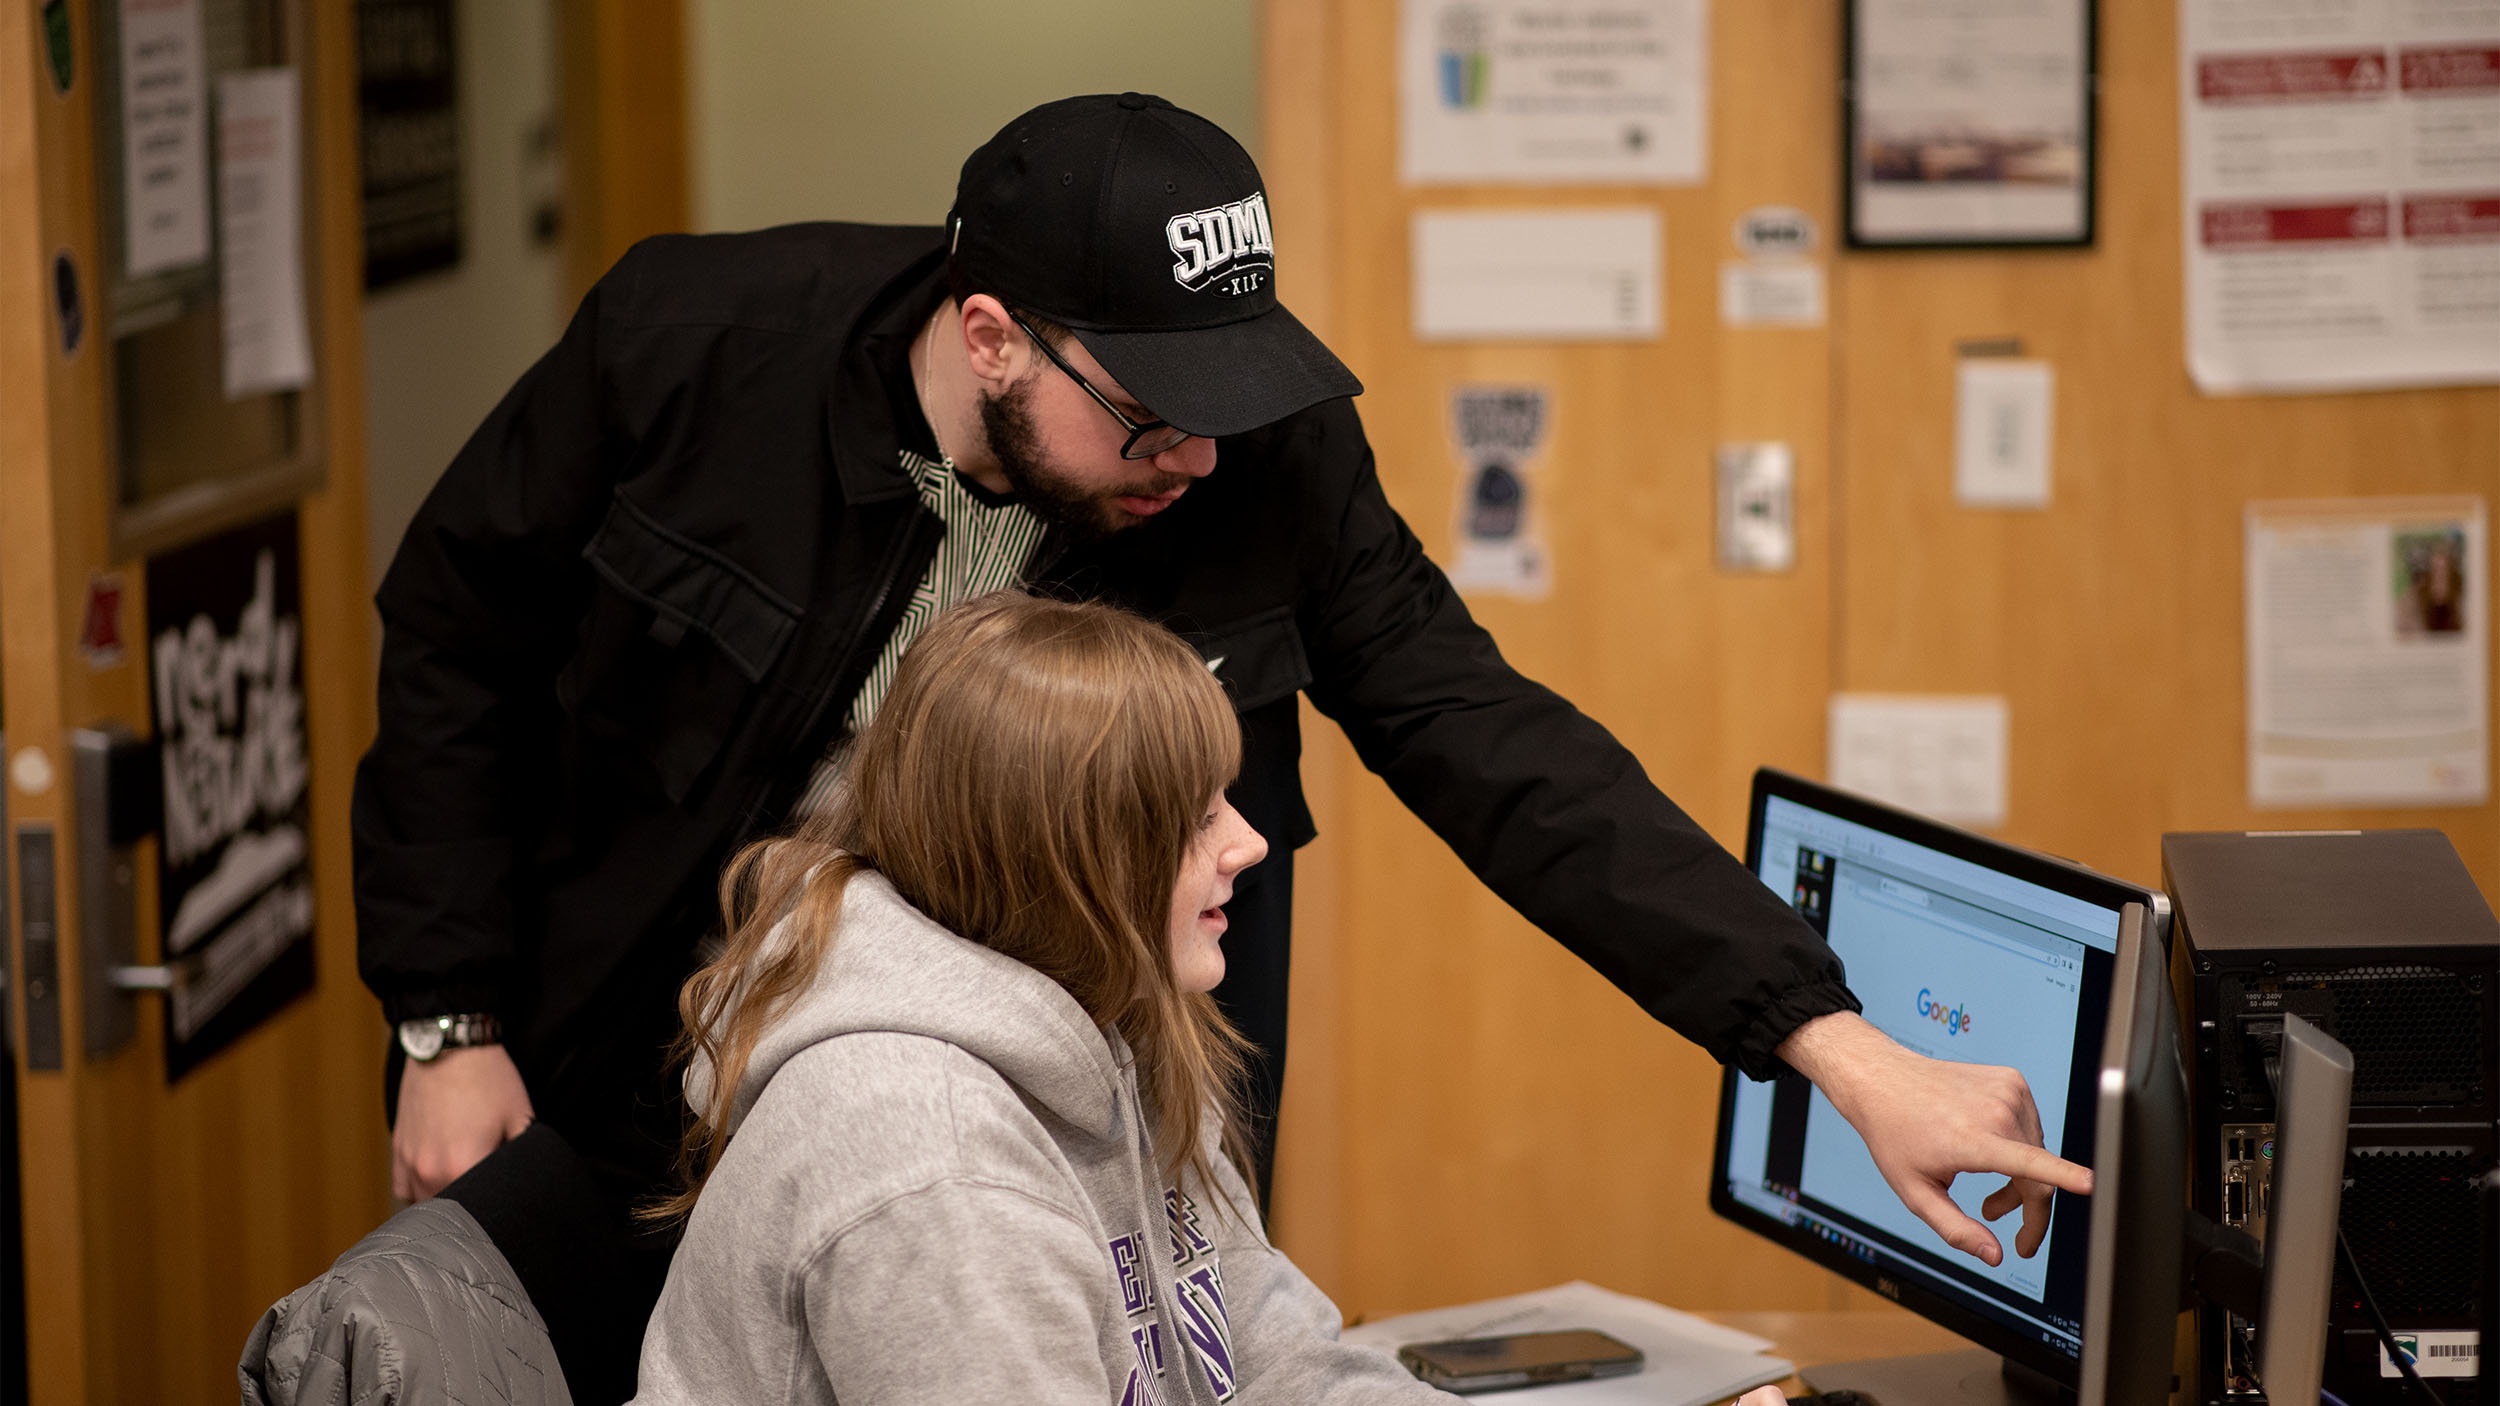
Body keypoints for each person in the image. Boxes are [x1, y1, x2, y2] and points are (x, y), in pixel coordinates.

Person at [355, 92, 2085, 1398]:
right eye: (1151, 410)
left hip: (1089, 1102)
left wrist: (1829, 1040)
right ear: (990, 340)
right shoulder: (692, 346)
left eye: (1229, 395)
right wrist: (448, 1019)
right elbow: (453, 639)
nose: (1199, 453)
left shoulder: (1258, 451)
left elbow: (1483, 736)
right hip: (639, 1062)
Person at [634, 592, 1476, 1401]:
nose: (1249, 843)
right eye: (1192, 818)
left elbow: (1281, 1368)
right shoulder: (932, 1154)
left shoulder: (1120, 1032)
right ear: (1064, 859)